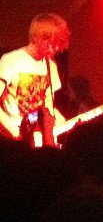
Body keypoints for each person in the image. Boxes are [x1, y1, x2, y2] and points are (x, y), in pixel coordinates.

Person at [0, 13, 70, 145]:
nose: (56, 48)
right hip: (13, 137)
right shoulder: (10, 60)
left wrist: (62, 121)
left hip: (39, 136)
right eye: (52, 43)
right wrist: (12, 130)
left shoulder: (51, 66)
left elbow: (48, 107)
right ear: (39, 38)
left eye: (58, 44)